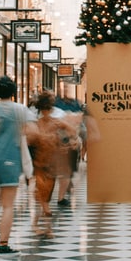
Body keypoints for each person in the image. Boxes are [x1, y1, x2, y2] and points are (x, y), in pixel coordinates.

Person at [0, 76, 31, 255]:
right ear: (13, 92)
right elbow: (29, 131)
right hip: (10, 158)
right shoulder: (20, 110)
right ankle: (3, 243)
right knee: (8, 205)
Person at [26, 91, 81, 236]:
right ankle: (44, 225)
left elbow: (28, 140)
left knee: (41, 196)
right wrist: (68, 142)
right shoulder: (56, 122)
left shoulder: (36, 124)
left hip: (39, 163)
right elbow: (73, 132)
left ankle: (42, 224)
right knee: (45, 196)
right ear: (50, 107)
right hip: (51, 163)